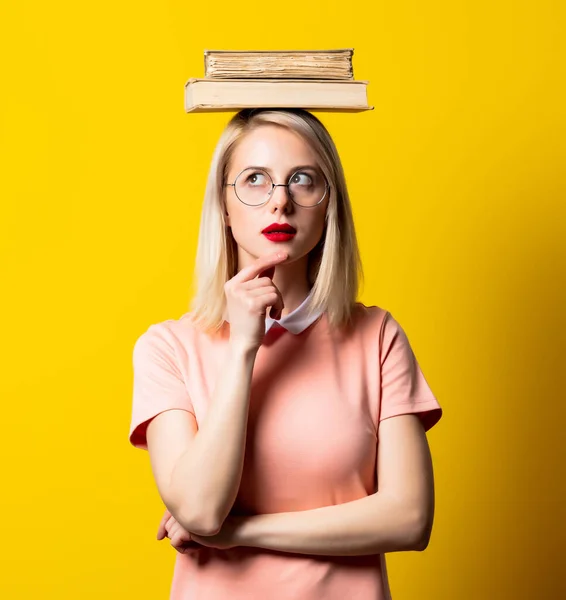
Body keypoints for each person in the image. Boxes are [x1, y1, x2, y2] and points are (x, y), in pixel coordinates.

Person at [129, 107, 443, 599]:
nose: (281, 202)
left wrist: (240, 534)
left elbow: (409, 517)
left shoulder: (377, 336)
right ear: (223, 206)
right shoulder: (167, 348)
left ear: (328, 204)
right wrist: (243, 349)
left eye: (303, 180)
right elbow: (201, 510)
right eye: (255, 179)